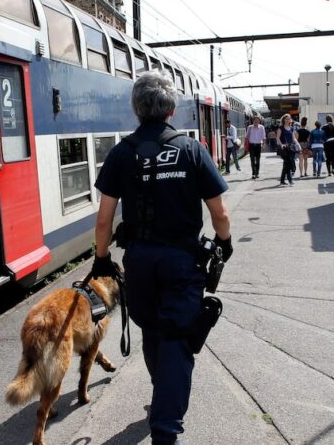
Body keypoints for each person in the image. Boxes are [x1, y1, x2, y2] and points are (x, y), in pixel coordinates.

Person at [92, 71, 233, 445]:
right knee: (176, 338)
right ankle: (166, 429)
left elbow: (104, 218)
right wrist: (225, 243)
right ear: (171, 109)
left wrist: (101, 259)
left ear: (137, 109)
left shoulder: (121, 153)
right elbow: (219, 213)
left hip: (139, 263)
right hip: (182, 263)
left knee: (153, 331)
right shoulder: (191, 149)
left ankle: (161, 399)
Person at [275, 113, 299, 186]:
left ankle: (282, 180)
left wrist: (297, 144)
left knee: (286, 165)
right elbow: (278, 138)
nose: (288, 120)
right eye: (287, 118)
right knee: (288, 163)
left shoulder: (291, 128)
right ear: (284, 120)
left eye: (289, 119)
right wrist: (281, 144)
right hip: (284, 148)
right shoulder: (280, 128)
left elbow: (293, 138)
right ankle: (290, 180)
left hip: (291, 148)